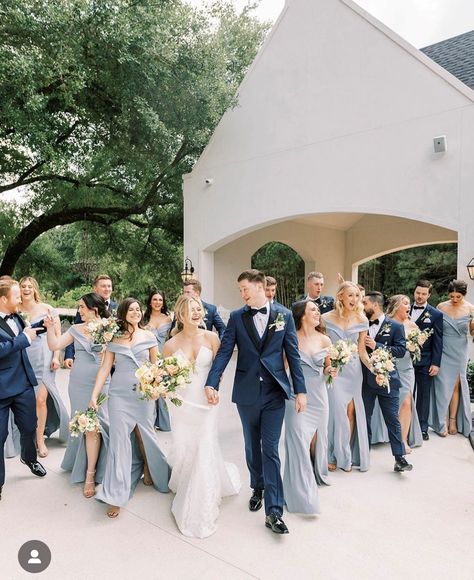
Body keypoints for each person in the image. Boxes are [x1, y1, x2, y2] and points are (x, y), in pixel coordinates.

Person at [206, 269, 307, 535]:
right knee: (252, 445)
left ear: (260, 287)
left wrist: (301, 390)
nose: (241, 294)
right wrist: (211, 381)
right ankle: (257, 485)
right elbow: (225, 351)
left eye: (244, 289)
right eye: (240, 290)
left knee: (270, 449)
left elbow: (293, 355)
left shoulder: (284, 316)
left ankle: (274, 512)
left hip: (275, 392)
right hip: (247, 393)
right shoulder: (238, 318)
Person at [163, 295, 240, 537]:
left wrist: (215, 388)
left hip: (206, 402)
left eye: (199, 309)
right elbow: (165, 378)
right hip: (182, 403)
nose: (197, 313)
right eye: (191, 310)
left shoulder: (212, 337)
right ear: (181, 315)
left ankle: (200, 502)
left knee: (204, 444)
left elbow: (218, 370)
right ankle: (185, 479)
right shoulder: (170, 345)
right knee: (187, 445)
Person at [89, 298, 169, 518]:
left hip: (143, 394)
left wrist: (158, 387)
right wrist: (95, 394)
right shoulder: (113, 338)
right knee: (119, 441)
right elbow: (105, 368)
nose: (135, 312)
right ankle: (116, 495)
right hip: (119, 395)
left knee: (145, 436)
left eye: (138, 309)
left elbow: (157, 366)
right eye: (131, 309)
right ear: (123, 313)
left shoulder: (150, 336)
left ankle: (148, 466)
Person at [44, 293, 111, 497]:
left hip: (102, 382)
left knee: (99, 425)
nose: (79, 311)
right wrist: (50, 328)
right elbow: (55, 345)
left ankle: (97, 469)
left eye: (82, 307)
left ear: (94, 309)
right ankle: (88, 473)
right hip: (78, 383)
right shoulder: (75, 329)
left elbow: (118, 357)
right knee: (85, 425)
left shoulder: (110, 328)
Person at [283, 300, 336, 515]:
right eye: (313, 309)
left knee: (318, 437)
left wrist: (332, 371)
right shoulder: (290, 338)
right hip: (296, 396)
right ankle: (301, 492)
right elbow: (282, 368)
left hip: (320, 396)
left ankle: (316, 473)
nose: (318, 312)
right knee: (297, 442)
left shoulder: (325, 339)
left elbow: (327, 367)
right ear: (302, 314)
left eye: (318, 310)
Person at [0, 278, 46, 501]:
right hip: (0, 389)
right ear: (3, 299)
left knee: (29, 427)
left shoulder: (16, 315)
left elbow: (24, 333)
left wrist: (39, 328)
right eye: (17, 296)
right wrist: (24, 338)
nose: (21, 298)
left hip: (23, 384)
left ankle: (29, 458)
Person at [362, 292, 413, 472]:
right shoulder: (361, 325)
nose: (362, 306)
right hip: (365, 381)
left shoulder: (396, 326)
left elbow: (400, 351)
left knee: (392, 419)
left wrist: (377, 347)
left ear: (375, 306)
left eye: (365, 303)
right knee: (364, 418)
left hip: (388, 380)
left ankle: (399, 458)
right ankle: (363, 454)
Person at [322, 282, 370, 472]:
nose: (354, 299)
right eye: (350, 295)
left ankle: (345, 454)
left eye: (357, 296)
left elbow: (362, 352)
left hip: (353, 371)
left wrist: (376, 369)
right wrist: (327, 365)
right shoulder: (325, 318)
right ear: (340, 296)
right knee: (336, 413)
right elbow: (322, 346)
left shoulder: (362, 319)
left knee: (350, 411)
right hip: (334, 370)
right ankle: (332, 454)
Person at [19, 276, 69, 457]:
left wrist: (56, 356)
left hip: (45, 356)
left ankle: (40, 440)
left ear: (34, 289)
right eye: (23, 286)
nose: (26, 289)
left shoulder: (47, 308)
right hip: (23, 357)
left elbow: (57, 333)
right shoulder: (15, 310)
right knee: (27, 401)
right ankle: (28, 436)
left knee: (41, 400)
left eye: (29, 286)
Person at [370, 295, 423, 452]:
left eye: (409, 303)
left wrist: (417, 345)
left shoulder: (412, 325)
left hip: (406, 368)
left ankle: (403, 440)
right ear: (396, 306)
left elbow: (417, 348)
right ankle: (380, 435)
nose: (409, 306)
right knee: (386, 403)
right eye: (405, 303)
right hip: (389, 367)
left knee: (406, 402)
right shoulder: (386, 323)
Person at [430, 280, 473, 437]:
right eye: (452, 296)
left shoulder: (470, 309)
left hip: (460, 350)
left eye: (458, 296)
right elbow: (433, 330)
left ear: (464, 295)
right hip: (443, 349)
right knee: (442, 385)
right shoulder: (441, 307)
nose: (455, 299)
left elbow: (473, 334)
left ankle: (453, 419)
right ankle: (441, 422)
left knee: (456, 385)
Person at [409, 280, 443, 440]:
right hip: (405, 360)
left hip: (426, 360)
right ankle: (406, 425)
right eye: (418, 293)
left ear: (429, 295)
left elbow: (438, 340)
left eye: (423, 294)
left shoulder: (436, 314)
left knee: (423, 394)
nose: (420, 296)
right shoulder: (404, 309)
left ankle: (422, 427)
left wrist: (436, 363)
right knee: (406, 393)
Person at [64, 275, 117, 368]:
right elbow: (75, 331)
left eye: (109, 286)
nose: (107, 289)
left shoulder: (118, 308)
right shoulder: (84, 307)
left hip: (111, 361)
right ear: (95, 289)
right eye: (103, 286)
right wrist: (69, 355)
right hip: (89, 360)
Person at [143, 289, 172, 432]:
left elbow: (171, 338)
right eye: (155, 299)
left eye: (160, 300)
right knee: (149, 388)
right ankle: (148, 421)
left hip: (164, 356)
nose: (157, 302)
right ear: (150, 301)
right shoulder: (143, 318)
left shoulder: (168, 319)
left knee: (162, 389)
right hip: (147, 357)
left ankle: (164, 422)